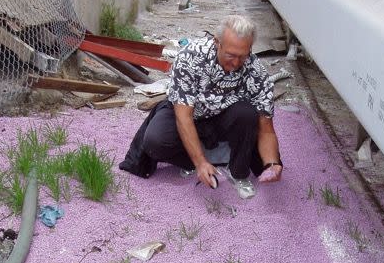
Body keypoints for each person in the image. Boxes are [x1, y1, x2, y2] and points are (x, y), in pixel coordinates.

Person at [119, 14, 283, 199]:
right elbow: (183, 117)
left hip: (225, 117)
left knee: (247, 114)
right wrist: (199, 162)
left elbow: (266, 128)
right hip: (191, 114)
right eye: (230, 55)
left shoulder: (256, 72)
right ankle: (197, 161)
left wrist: (271, 164)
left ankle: (238, 173)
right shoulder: (190, 58)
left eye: (243, 56)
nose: (236, 63)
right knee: (155, 141)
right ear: (216, 42)